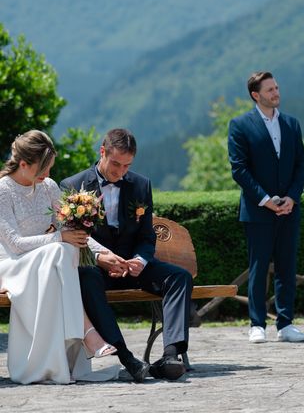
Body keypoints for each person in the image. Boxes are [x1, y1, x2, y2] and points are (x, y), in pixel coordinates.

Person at [61, 128, 193, 382]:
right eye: (115, 164)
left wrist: (140, 261)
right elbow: (75, 239)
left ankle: (171, 355)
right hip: (97, 269)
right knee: (85, 278)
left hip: (133, 266)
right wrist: (101, 259)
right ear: (102, 152)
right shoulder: (71, 186)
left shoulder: (141, 185)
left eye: (127, 166)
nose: (120, 171)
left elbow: (146, 237)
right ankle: (127, 359)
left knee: (179, 277)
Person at [0, 130, 119, 384]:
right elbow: (15, 244)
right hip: (12, 263)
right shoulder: (3, 191)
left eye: (50, 169)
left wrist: (103, 253)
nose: (47, 176)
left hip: (48, 262)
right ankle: (87, 333)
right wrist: (58, 239)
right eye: (42, 170)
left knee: (61, 251)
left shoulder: (48, 187)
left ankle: (81, 337)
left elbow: (71, 233)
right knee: (59, 249)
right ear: (23, 164)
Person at [228, 71, 304, 344]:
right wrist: (266, 200)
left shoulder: (292, 124)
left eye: (276, 87)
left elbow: (300, 165)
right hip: (257, 210)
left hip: (289, 208)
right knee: (258, 267)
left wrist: (292, 198)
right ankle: (257, 324)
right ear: (256, 95)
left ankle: (285, 324)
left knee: (287, 266)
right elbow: (239, 170)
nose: (276, 93)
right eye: (270, 89)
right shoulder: (240, 125)